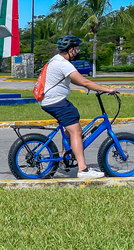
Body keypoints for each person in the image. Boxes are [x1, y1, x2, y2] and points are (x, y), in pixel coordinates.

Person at [38, 35, 117, 179]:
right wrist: (106, 89)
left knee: (72, 121)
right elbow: (84, 82)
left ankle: (64, 158)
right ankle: (83, 169)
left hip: (51, 100)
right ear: (71, 50)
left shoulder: (56, 59)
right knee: (76, 131)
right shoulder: (64, 64)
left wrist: (91, 86)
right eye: (77, 48)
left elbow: (74, 80)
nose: (78, 51)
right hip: (56, 102)